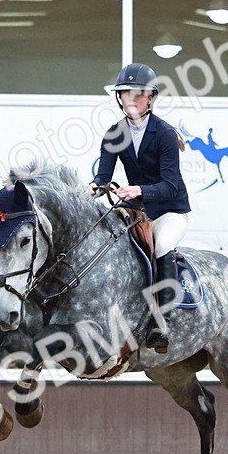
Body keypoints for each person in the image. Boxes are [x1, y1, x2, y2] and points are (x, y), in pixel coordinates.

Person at [89, 62, 190, 354]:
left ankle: (162, 321)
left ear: (150, 98)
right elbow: (103, 178)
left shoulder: (165, 134)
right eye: (124, 94)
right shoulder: (113, 133)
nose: (130, 100)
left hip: (170, 210)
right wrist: (94, 187)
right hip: (138, 211)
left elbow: (171, 185)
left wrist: (139, 189)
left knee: (159, 245)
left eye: (137, 95)